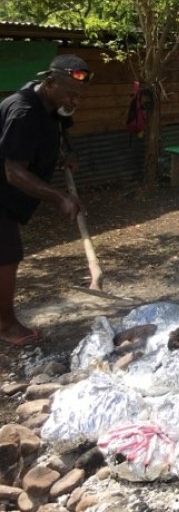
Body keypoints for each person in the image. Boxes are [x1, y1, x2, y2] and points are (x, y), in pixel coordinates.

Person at [0, 54, 91, 346]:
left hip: (8, 197)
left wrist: (68, 154)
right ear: (50, 83)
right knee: (7, 255)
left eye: (80, 95)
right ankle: (6, 325)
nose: (75, 101)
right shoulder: (24, 111)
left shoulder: (54, 105)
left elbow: (60, 133)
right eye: (71, 93)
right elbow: (13, 171)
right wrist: (59, 197)